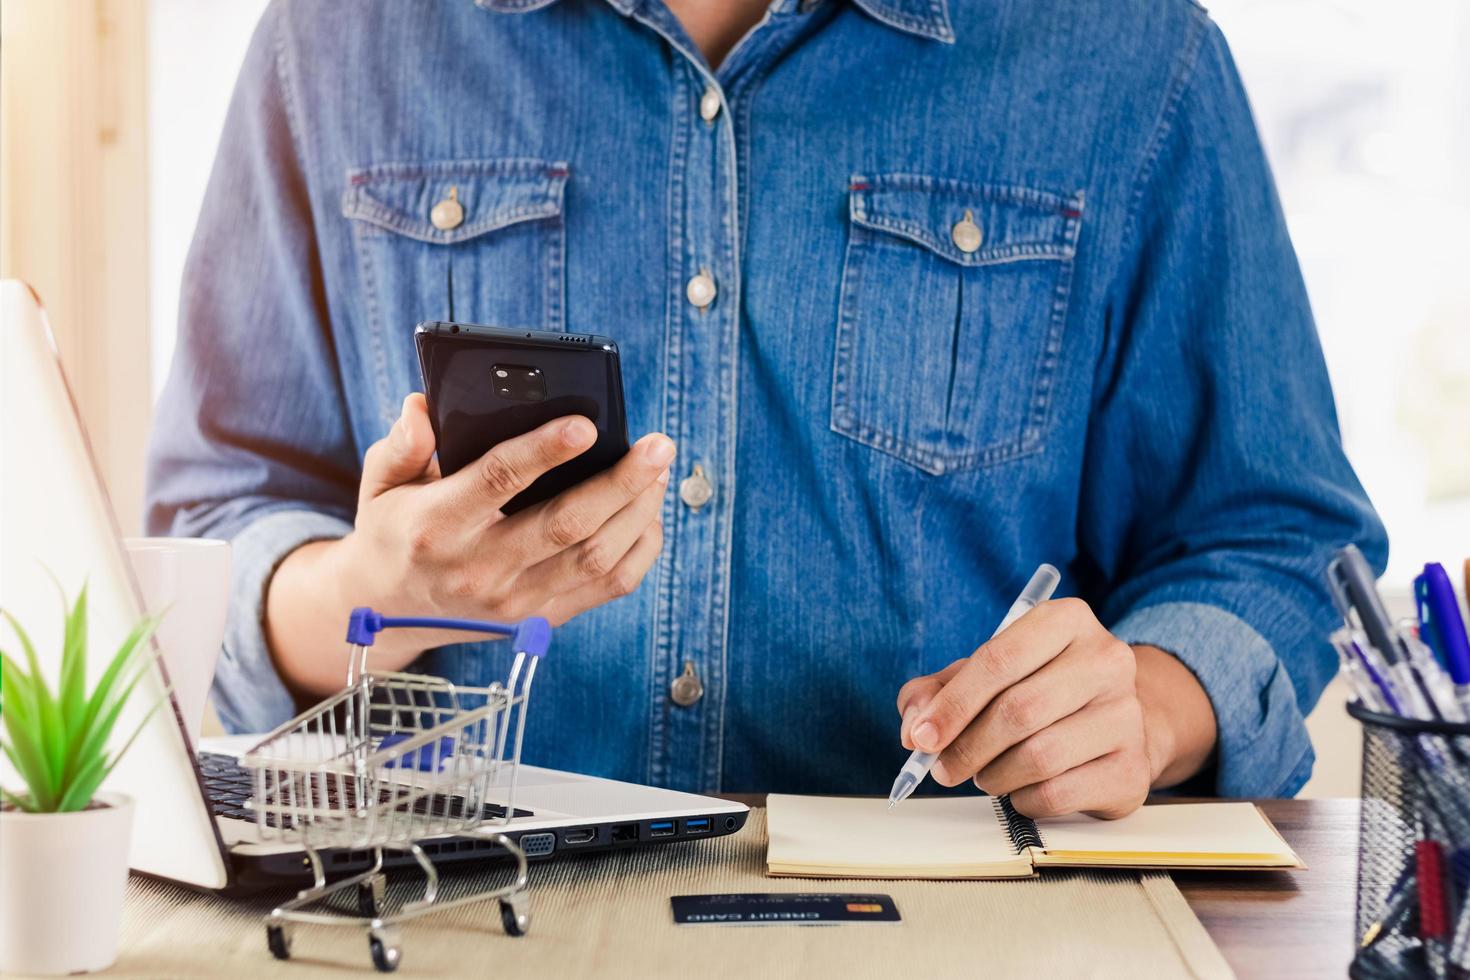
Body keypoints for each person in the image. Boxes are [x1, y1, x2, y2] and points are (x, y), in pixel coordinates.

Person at [145, 0, 1387, 817]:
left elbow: (1273, 532)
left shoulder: (1129, 49)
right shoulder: (340, 37)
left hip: (966, 933)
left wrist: (1149, 701)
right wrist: (379, 588)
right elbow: (210, 521)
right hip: (447, 919)